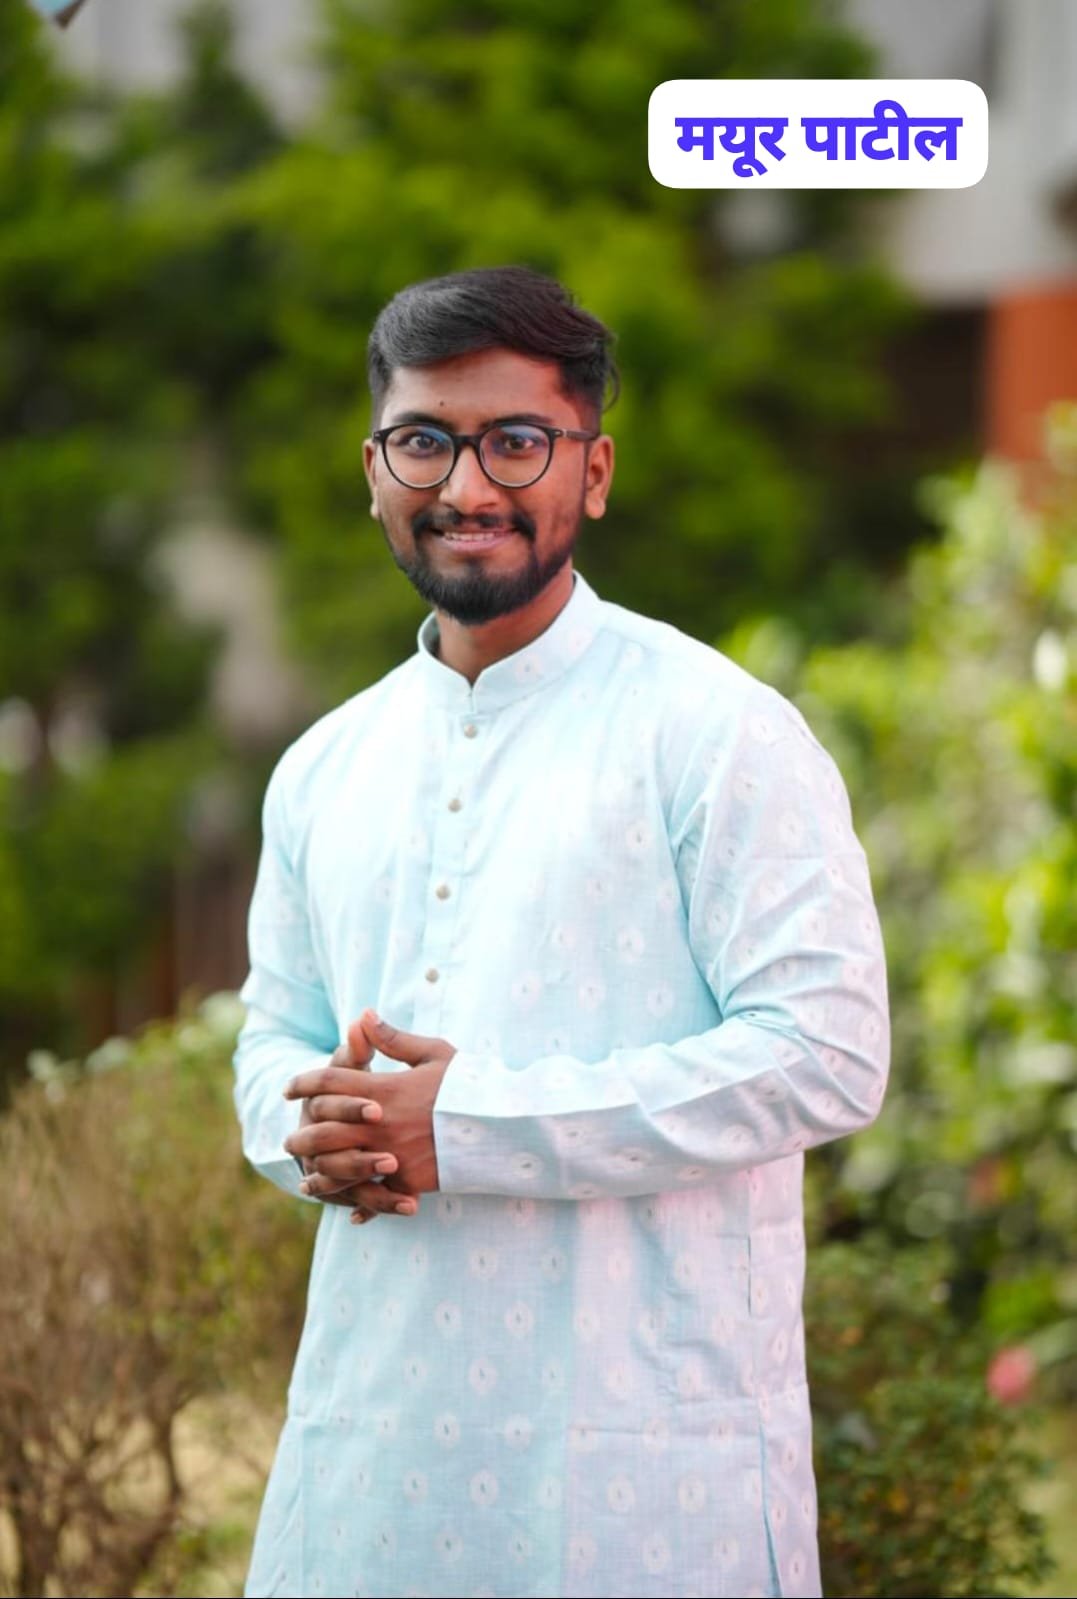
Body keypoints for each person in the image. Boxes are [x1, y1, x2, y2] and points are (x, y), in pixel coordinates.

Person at [233, 264, 890, 1599]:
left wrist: (467, 1126)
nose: (467, 485)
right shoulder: (323, 766)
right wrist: (307, 1133)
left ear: (592, 472)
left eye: (516, 441)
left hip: (645, 1480)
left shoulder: (716, 732)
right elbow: (271, 1038)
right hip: (369, 1469)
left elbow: (826, 1053)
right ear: (373, 471)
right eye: (425, 441)